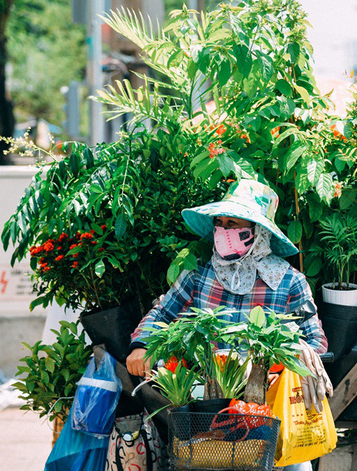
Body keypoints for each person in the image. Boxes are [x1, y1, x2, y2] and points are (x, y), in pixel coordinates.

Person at [126, 179, 331, 471]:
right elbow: (161, 313)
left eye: (232, 223)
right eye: (219, 223)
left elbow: (315, 342)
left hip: (267, 407)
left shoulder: (289, 281)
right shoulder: (199, 274)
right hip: (206, 405)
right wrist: (141, 345)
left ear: (257, 231)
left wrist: (287, 360)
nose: (223, 230)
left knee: (295, 466)